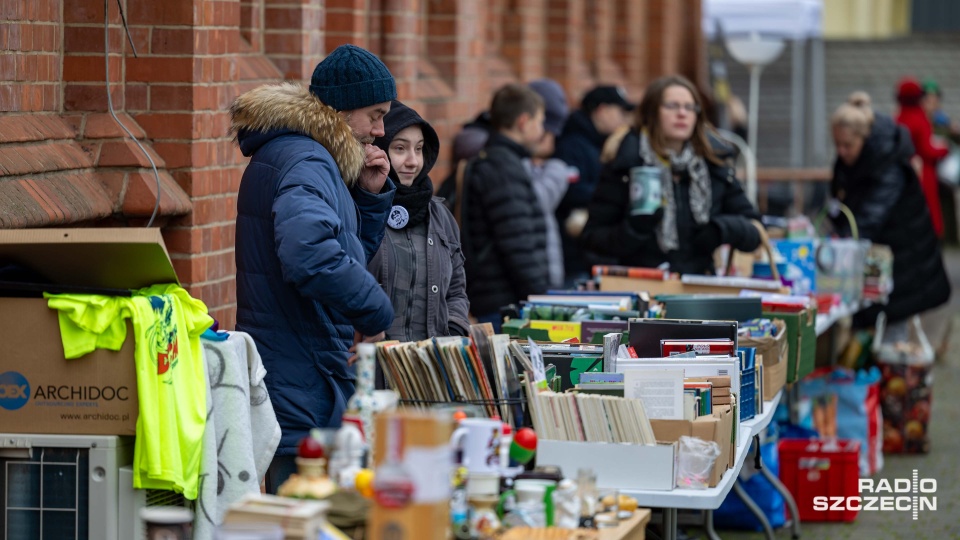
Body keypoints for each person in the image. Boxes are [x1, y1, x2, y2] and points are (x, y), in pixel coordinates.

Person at [231, 44, 397, 492]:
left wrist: (367, 198)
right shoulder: (307, 160)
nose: (380, 131)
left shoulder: (306, 157)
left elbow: (340, 254)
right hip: (300, 377)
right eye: (374, 115)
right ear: (341, 109)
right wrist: (375, 313)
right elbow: (308, 255)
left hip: (303, 372)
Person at [580, 75, 762, 275]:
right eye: (672, 106)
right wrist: (634, 230)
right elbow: (592, 239)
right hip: (642, 287)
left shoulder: (714, 165)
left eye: (689, 107)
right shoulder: (626, 165)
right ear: (652, 113)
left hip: (698, 288)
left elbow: (755, 231)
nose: (682, 114)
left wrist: (721, 229)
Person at [830, 92, 950, 327]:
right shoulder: (860, 158)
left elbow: (869, 219)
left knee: (893, 324)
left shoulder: (888, 165)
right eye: (837, 145)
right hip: (884, 255)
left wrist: (838, 245)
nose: (841, 151)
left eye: (847, 145)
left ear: (864, 139)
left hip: (903, 257)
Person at [367, 100, 470, 341]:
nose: (413, 161)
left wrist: (453, 330)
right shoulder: (363, 209)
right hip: (372, 363)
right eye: (400, 149)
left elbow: (456, 290)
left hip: (431, 365)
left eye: (419, 148)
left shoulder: (440, 215)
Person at [461, 83, 550, 331]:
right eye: (540, 121)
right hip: (503, 303)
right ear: (523, 121)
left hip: (499, 296)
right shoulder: (503, 168)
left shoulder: (500, 160)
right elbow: (517, 241)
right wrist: (541, 300)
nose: (542, 131)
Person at [554, 85, 635, 285]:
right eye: (619, 111)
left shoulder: (597, 142)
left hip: (592, 252)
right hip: (575, 254)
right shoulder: (573, 144)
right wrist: (613, 195)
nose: (623, 119)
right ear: (602, 110)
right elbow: (569, 191)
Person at [526, 78, 571, 288]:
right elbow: (537, 201)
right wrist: (557, 170)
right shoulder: (514, 163)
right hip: (529, 281)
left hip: (543, 276)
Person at [895, 77, 949, 237]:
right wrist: (944, 149)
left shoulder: (898, 118)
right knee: (928, 212)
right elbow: (928, 150)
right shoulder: (920, 118)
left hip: (902, 173)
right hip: (924, 173)